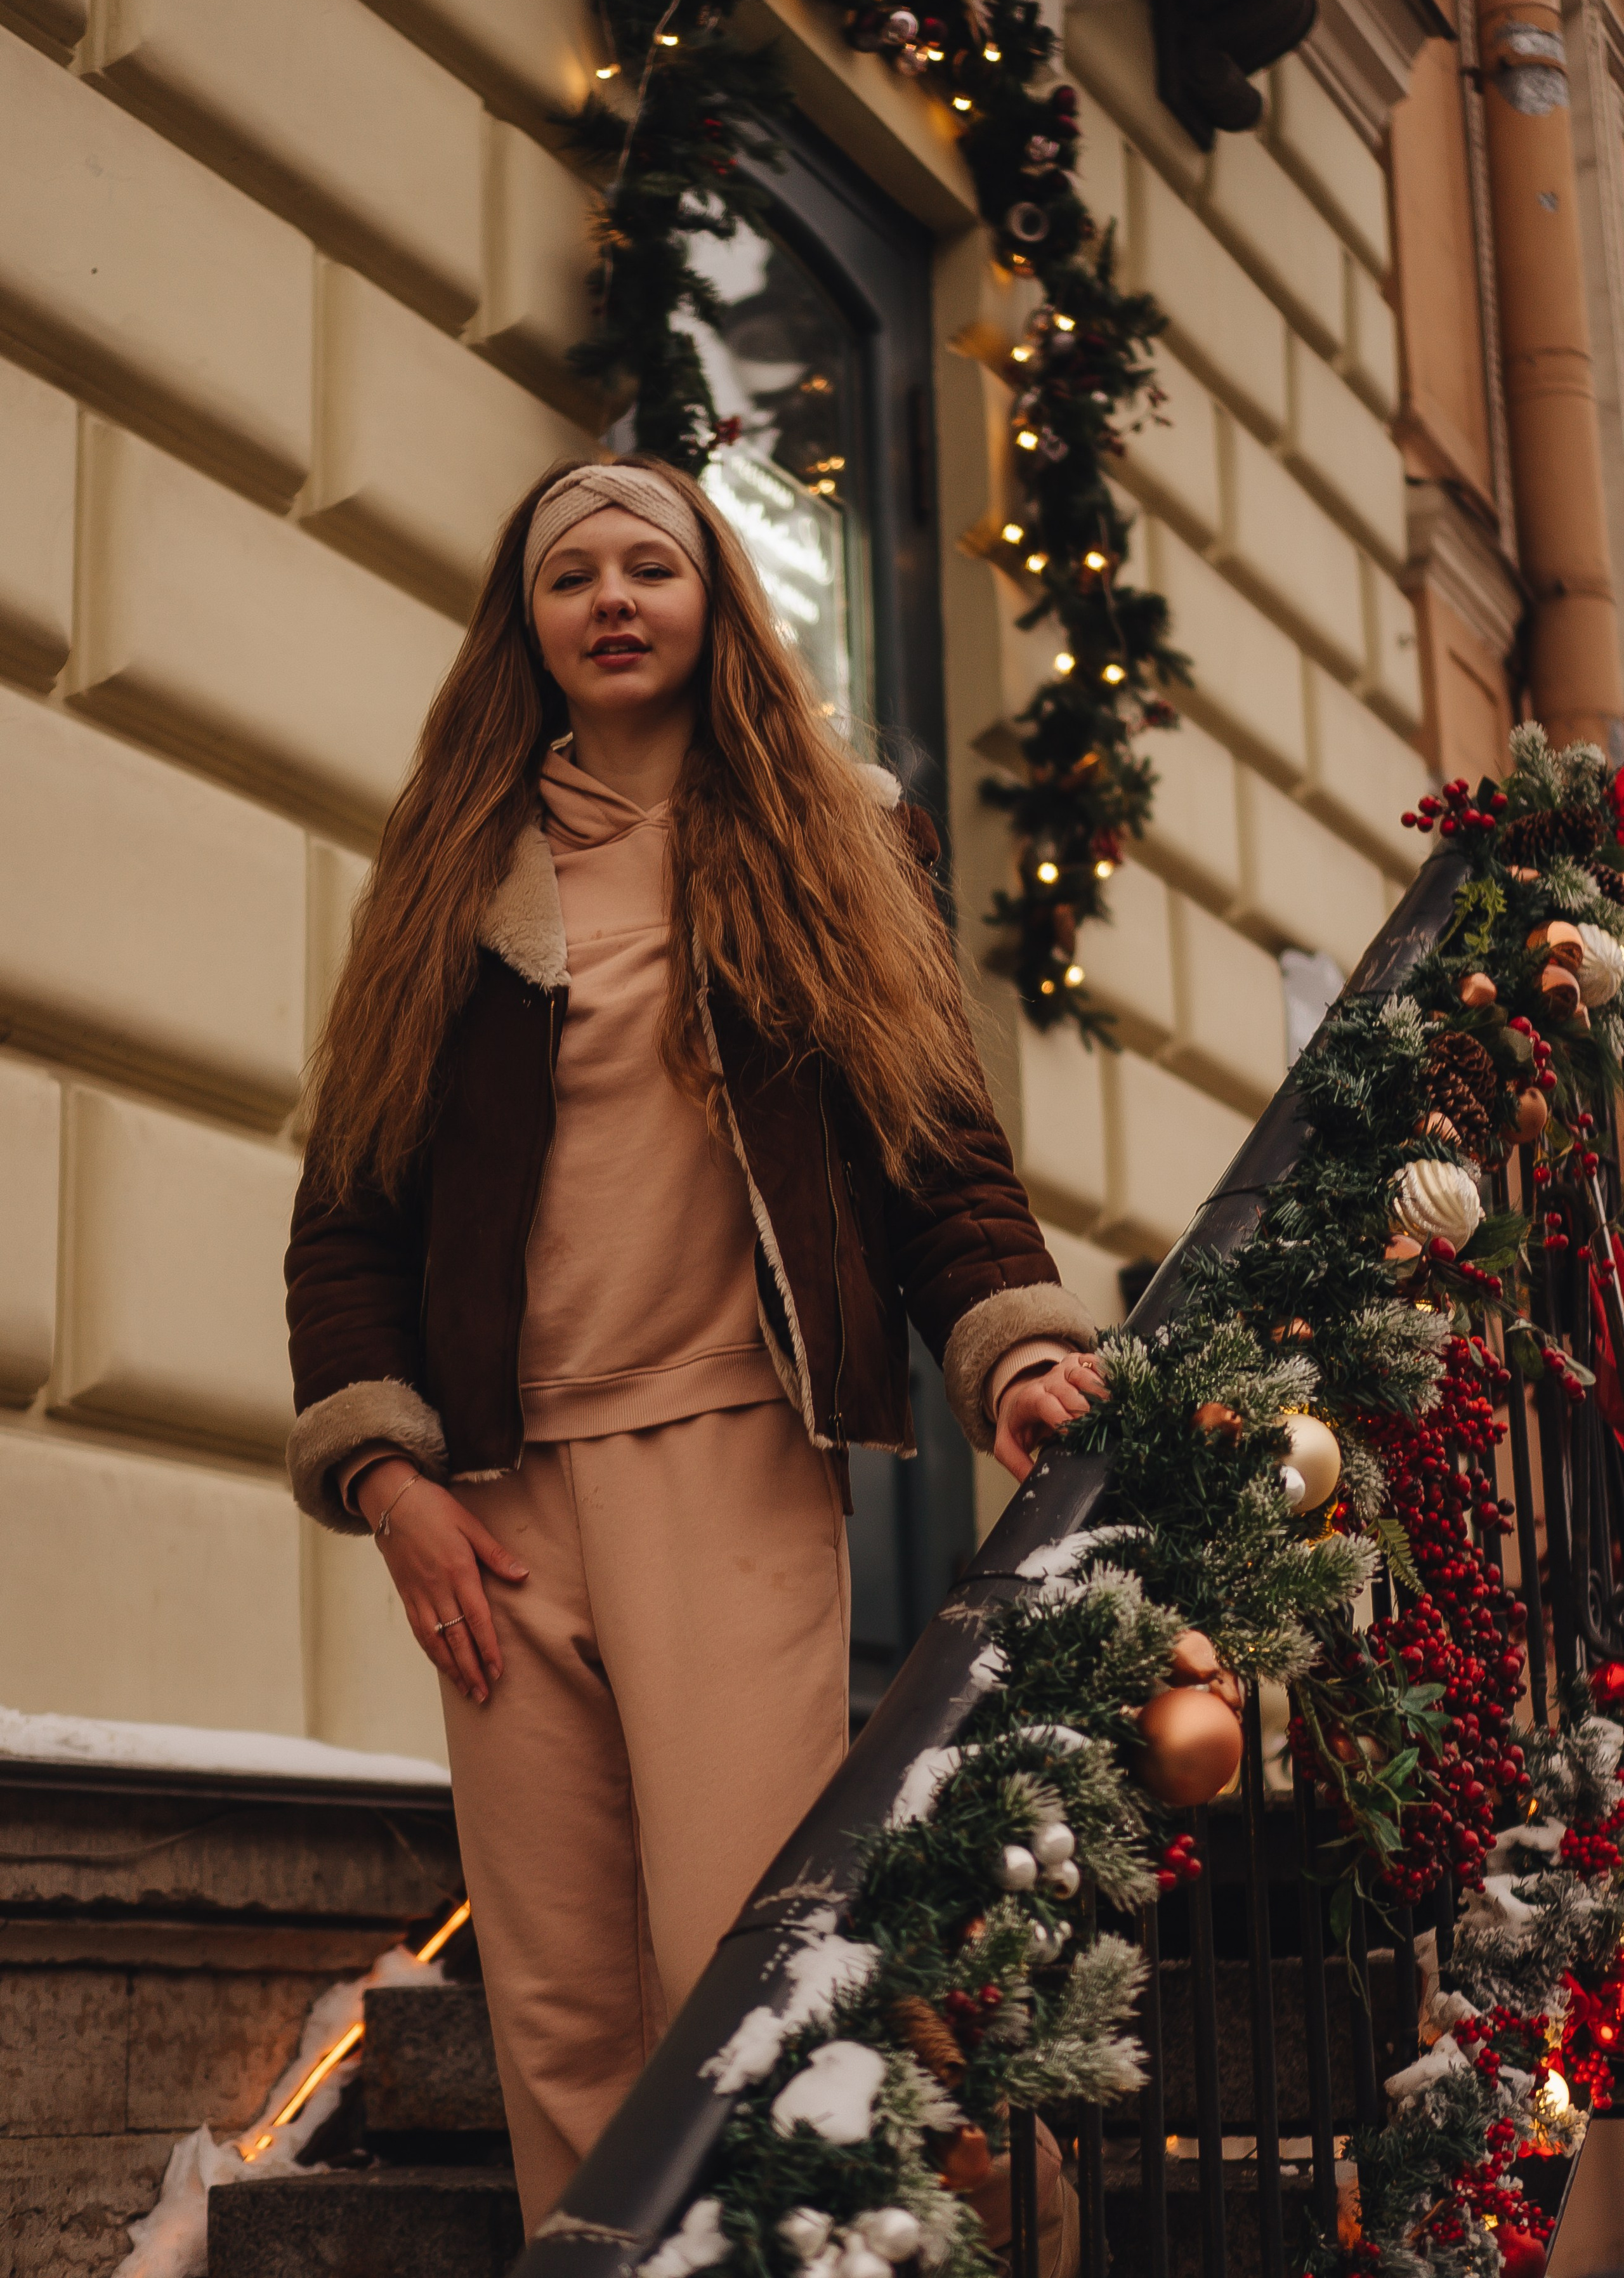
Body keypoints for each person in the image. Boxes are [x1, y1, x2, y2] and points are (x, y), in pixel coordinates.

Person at [283, 454, 1104, 2235]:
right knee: (564, 2002)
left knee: (738, 1961)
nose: (611, 598)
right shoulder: (447, 872)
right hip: (496, 1510)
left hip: (729, 1457)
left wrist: (1009, 1348)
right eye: (569, 574)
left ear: (715, 601)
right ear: (531, 629)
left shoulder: (830, 834)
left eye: (648, 565)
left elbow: (934, 1147)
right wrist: (386, 1478)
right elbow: (350, 1207)